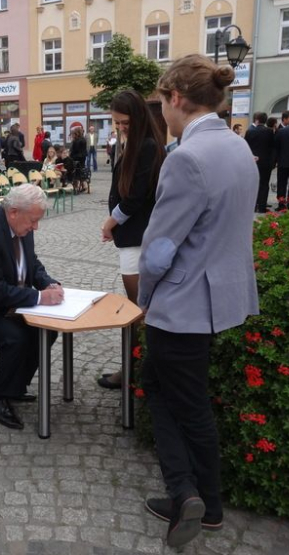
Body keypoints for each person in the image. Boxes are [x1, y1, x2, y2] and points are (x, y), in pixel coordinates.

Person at [138, 55, 259, 548]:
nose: (161, 111)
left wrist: (144, 296)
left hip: (181, 303)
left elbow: (160, 247)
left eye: (162, 101)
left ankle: (195, 497)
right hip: (217, 296)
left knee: (181, 402)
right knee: (172, 392)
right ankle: (194, 496)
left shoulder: (187, 156)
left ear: (178, 99)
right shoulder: (236, 145)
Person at [0, 184, 63, 430]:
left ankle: (10, 385)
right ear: (13, 212)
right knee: (16, 337)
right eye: (33, 221)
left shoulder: (22, 223)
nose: (36, 227)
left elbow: (32, 263)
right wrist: (40, 298)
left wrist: (48, 283)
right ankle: (0, 398)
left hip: (10, 304)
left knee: (47, 331)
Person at [98, 90, 165, 390]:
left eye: (125, 122)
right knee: (137, 309)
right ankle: (136, 367)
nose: (121, 128)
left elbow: (137, 195)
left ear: (138, 118)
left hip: (137, 239)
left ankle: (135, 370)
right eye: (117, 123)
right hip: (131, 238)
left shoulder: (148, 147)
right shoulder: (137, 143)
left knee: (138, 311)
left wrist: (111, 222)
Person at [244, 112, 276, 213]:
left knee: (253, 183)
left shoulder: (250, 131)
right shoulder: (269, 132)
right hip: (265, 162)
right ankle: (262, 207)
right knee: (264, 184)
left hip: (253, 161)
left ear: (256, 119)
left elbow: (246, 146)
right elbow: (272, 147)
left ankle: (253, 206)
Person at [69, 127, 88, 192]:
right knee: (81, 171)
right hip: (82, 158)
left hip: (76, 158)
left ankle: (76, 187)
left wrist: (70, 156)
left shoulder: (76, 141)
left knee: (75, 172)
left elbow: (74, 151)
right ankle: (84, 185)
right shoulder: (83, 139)